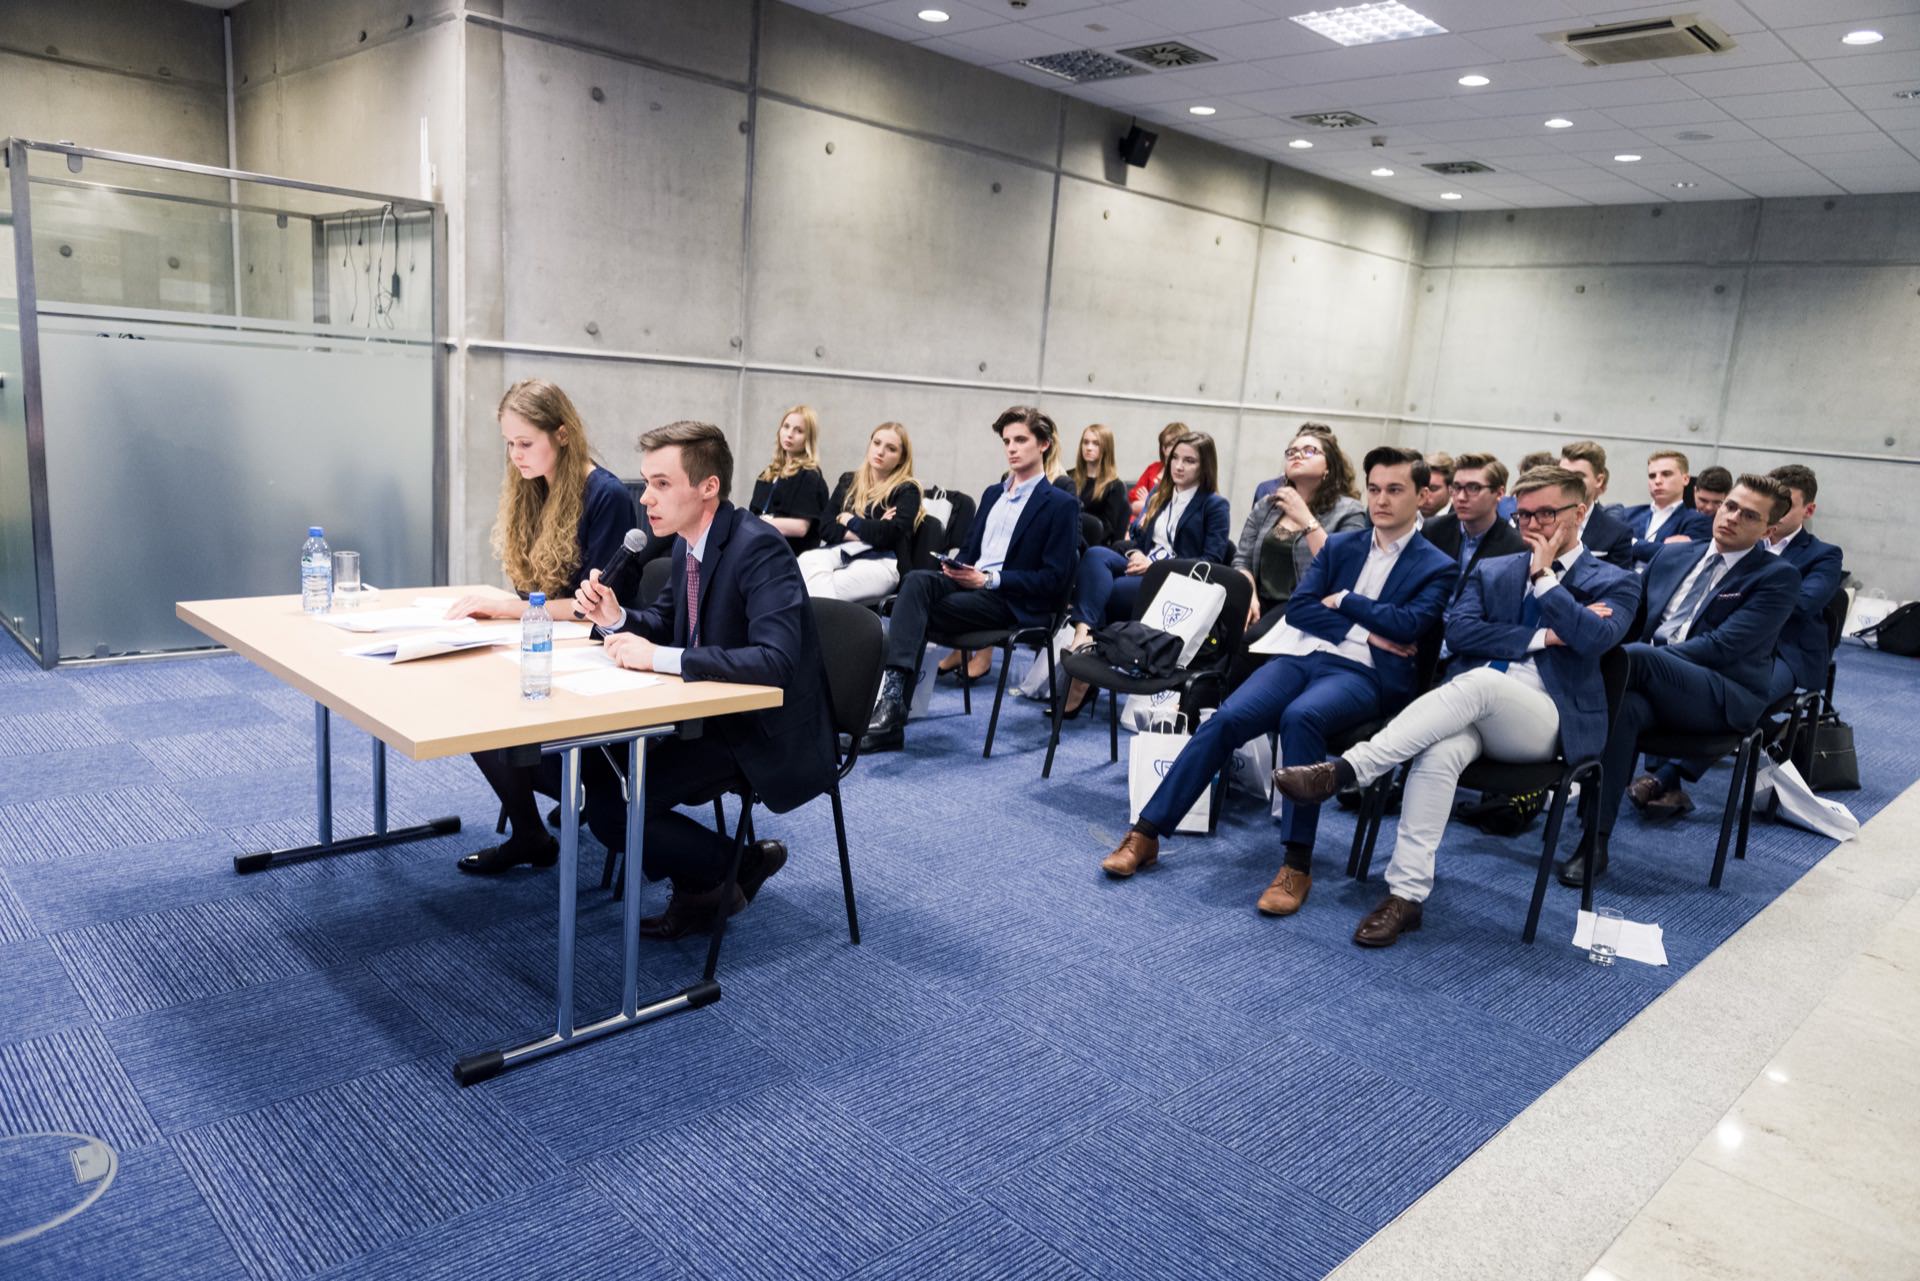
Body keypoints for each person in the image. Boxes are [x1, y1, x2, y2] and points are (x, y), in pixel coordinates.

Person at [1273, 466, 1642, 946]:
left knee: (1481, 682)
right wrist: (1547, 635)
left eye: (1546, 514)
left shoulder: (1614, 580)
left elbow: (1594, 640)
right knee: (1437, 753)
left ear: (1580, 512)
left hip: (1549, 720)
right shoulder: (1494, 570)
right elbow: (1461, 632)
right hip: (1470, 709)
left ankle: (1347, 771)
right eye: (1523, 514)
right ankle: (1405, 897)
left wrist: (1546, 582)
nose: (1532, 525)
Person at [1098, 447, 1457, 918]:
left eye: (1395, 490)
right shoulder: (1344, 547)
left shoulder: (1436, 564)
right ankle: (1146, 833)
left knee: (1300, 718)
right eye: (1373, 489)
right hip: (1304, 655)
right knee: (1228, 718)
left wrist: (1343, 599)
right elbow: (1302, 607)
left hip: (1367, 674)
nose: (1381, 500)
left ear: (1421, 494)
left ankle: (1296, 863)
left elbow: (1408, 626)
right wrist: (1365, 627)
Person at [573, 420, 836, 938]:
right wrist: (616, 618)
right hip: (708, 714)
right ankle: (716, 874)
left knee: (613, 808)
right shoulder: (688, 543)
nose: (646, 498)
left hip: (761, 730)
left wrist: (661, 660)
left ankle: (730, 865)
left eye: (663, 484)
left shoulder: (757, 548)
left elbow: (774, 661)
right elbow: (668, 624)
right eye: (647, 482)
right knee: (596, 766)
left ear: (708, 487)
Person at [1561, 474, 1801, 884]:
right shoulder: (1673, 557)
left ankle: (1565, 758)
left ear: (1769, 529)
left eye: (1748, 515)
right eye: (1729, 506)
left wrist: (1644, 659)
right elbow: (1633, 622)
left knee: (1629, 661)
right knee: (1627, 709)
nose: (1731, 518)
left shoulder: (1776, 577)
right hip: (1647, 683)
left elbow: (1722, 647)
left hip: (1721, 694)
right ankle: (1594, 840)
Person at [451, 379, 639, 876]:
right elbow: (533, 592)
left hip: (602, 654)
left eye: (525, 443)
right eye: (509, 444)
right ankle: (531, 831)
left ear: (561, 434)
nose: (515, 454)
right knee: (472, 701)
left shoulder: (606, 494)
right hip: (551, 642)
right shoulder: (535, 487)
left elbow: (586, 609)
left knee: (493, 714)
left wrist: (509, 610)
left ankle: (573, 800)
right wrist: (510, 608)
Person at [862, 406, 1080, 751]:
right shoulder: (993, 493)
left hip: (1009, 599)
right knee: (917, 581)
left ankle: (889, 715)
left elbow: (1053, 580)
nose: (1011, 447)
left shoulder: (1060, 505)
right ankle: (891, 706)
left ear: (1044, 444)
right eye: (1007, 440)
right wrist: (955, 566)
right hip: (970, 583)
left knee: (910, 611)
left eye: (1021, 440)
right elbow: (970, 551)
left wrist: (990, 580)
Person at [1061, 432, 1231, 715]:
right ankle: (1084, 634)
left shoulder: (1214, 505)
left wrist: (1155, 567)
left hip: (1173, 583)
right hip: (1142, 568)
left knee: (1108, 591)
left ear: (1205, 466)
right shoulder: (1160, 494)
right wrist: (1134, 554)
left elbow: (1211, 562)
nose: (1178, 466)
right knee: (1095, 555)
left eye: (1189, 461)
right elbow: (1134, 541)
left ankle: (1083, 674)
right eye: (1175, 458)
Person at [1230, 424, 1366, 666]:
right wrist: (1248, 593)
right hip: (1258, 599)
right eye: (1291, 452)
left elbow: (1341, 571)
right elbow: (1242, 559)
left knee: (1251, 641)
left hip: (1305, 604)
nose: (1297, 455)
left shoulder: (1350, 511)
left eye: (1309, 451)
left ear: (1329, 466)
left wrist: (1305, 518)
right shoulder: (1268, 505)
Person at [797, 421, 924, 604]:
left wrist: (849, 520)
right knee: (807, 559)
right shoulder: (849, 480)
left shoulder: (907, 490)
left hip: (882, 561)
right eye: (877, 443)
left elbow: (890, 533)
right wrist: (869, 530)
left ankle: (821, 627)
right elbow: (825, 526)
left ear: (902, 458)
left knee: (817, 587)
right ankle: (826, 628)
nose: (880, 452)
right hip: (842, 551)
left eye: (891, 449)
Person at [1418, 452, 1526, 592]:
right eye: (1457, 487)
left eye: (1474, 488)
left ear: (1499, 494)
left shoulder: (1515, 545)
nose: (1461, 497)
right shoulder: (1433, 530)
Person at [749, 405, 832, 555]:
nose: (789, 434)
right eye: (786, 427)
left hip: (789, 556)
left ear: (808, 438)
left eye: (798, 430)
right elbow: (753, 514)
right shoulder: (767, 474)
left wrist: (759, 523)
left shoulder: (810, 476)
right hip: (760, 549)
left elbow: (800, 528)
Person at [1620, 450, 1712, 565]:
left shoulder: (1699, 521)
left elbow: (1678, 558)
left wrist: (1631, 543)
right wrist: (1660, 548)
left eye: (1666, 474)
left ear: (1685, 479)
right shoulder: (1629, 514)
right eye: (1652, 476)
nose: (1657, 481)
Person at [1558, 441, 1636, 570]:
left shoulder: (1616, 534)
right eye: (1563, 475)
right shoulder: (1538, 520)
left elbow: (1614, 585)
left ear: (1599, 480)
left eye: (1578, 476)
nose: (1568, 482)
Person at [1070, 423, 1131, 549]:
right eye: (1085, 442)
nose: (1089, 448)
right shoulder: (1069, 477)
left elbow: (1107, 530)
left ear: (1106, 448)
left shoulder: (1115, 486)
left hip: (1092, 547)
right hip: (1067, 539)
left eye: (1095, 444)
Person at [1128, 421, 1190, 522]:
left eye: (1176, 444)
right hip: (1136, 522)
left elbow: (1169, 510)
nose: (1171, 449)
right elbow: (1133, 503)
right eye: (1167, 444)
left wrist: (1148, 501)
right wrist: (1150, 505)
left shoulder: (1183, 475)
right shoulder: (1153, 468)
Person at [1496, 452, 1557, 522]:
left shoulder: (1558, 512)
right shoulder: (1502, 506)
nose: (1526, 486)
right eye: (1523, 479)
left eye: (1534, 481)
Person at [1418, 451, 1455, 523]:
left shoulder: (1462, 523)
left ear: (1451, 489)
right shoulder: (1403, 517)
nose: (1424, 495)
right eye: (1420, 487)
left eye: (1433, 489)